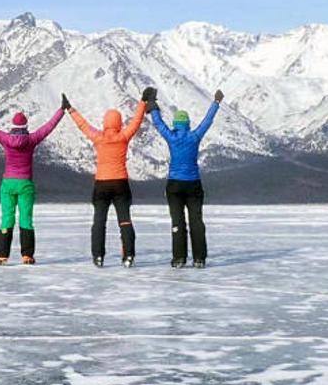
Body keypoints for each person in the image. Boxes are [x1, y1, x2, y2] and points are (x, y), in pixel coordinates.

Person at [0, 96, 67, 265]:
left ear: (13, 126)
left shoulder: (5, 139)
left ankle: (2, 256)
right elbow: (49, 127)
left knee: (7, 218)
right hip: (25, 184)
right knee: (26, 218)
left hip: (8, 184)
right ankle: (27, 256)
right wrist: (61, 110)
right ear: (25, 126)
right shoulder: (32, 139)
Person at [66, 88, 154, 268]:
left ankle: (98, 256)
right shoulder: (123, 136)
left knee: (99, 221)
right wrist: (143, 102)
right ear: (119, 122)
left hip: (101, 184)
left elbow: (83, 125)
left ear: (105, 122)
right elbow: (137, 121)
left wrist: (70, 109)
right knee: (125, 220)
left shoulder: (98, 137)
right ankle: (128, 256)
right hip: (120, 183)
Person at [146, 88, 223, 268]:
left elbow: (159, 124)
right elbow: (207, 121)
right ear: (187, 124)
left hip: (174, 185)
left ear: (175, 123)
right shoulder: (194, 136)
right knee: (196, 221)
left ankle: (179, 258)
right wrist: (216, 103)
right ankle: (199, 258)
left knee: (177, 221)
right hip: (193, 184)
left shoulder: (171, 137)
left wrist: (152, 107)